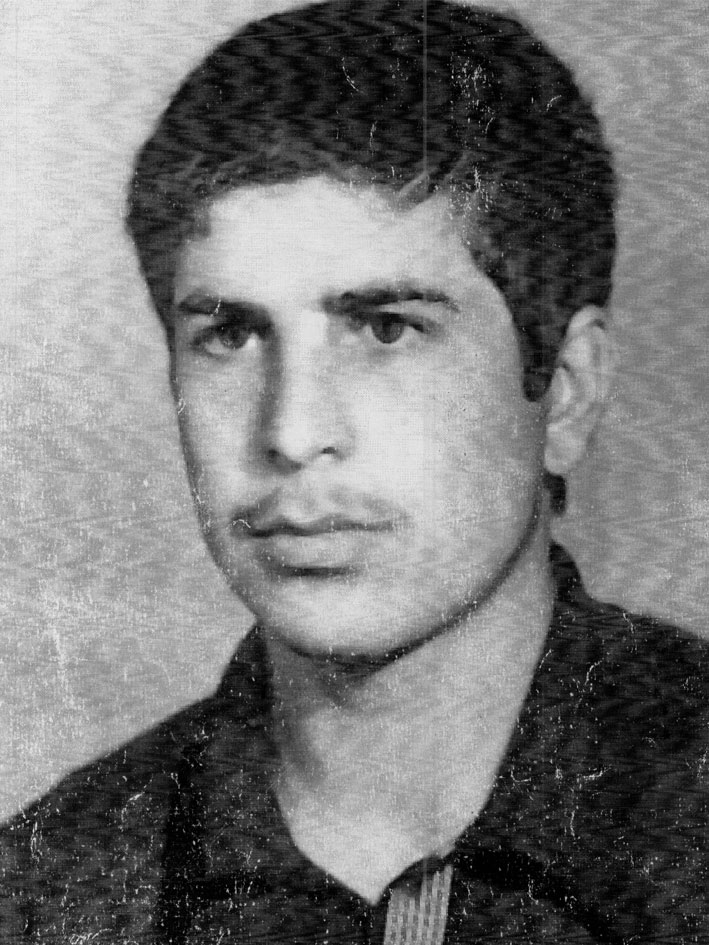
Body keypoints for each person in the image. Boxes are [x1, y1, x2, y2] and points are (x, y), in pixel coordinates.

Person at [1, 1, 707, 942]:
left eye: (385, 328)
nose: (291, 432)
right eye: (231, 334)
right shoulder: (46, 895)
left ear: (566, 393)